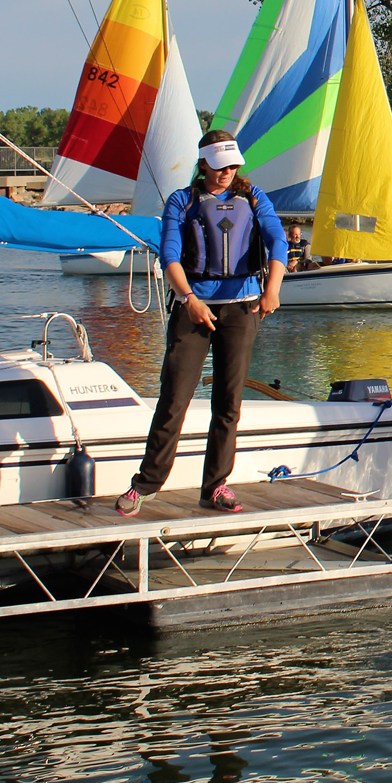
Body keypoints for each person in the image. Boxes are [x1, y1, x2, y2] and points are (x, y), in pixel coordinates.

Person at [117, 131, 287, 517]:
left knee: (228, 402)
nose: (227, 171)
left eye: (233, 165)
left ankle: (215, 487)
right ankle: (145, 484)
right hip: (192, 309)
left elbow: (278, 242)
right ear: (204, 163)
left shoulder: (253, 197)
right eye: (220, 164)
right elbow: (170, 256)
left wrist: (272, 289)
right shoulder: (182, 201)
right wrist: (190, 299)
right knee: (174, 396)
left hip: (241, 309)